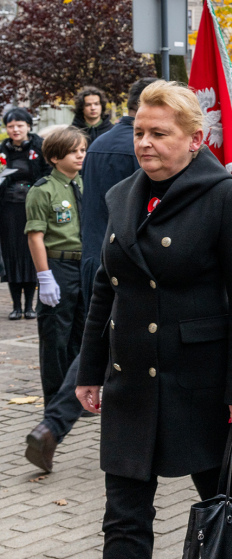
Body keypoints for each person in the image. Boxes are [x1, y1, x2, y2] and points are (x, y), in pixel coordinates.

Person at [75, 80, 232, 558]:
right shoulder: (122, 195)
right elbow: (106, 286)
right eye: (140, 132)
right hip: (131, 380)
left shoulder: (227, 198)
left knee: (225, 503)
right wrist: (89, 370)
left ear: (195, 138)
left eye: (159, 133)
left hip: (197, 385)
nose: (144, 143)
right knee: (123, 516)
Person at [24, 77, 154, 473]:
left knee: (99, 342)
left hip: (94, 256)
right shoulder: (143, 147)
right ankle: (56, 424)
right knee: (101, 344)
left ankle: (53, 427)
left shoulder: (97, 145)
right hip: (130, 261)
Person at [25, 126, 89, 409]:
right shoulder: (43, 190)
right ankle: (56, 402)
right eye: (73, 151)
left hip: (83, 265)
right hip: (58, 265)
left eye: (82, 150)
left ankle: (76, 398)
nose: (80, 156)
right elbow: (35, 236)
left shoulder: (84, 184)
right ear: (54, 156)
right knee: (55, 338)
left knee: (81, 333)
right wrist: (44, 276)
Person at [0, 108, 48, 320]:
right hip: (9, 209)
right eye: (11, 126)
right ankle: (16, 306)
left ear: (29, 126)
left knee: (30, 253)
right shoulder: (2, 150)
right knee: (12, 254)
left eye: (20, 125)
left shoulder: (40, 146)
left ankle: (30, 305)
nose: (15, 129)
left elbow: (47, 173)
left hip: (32, 206)